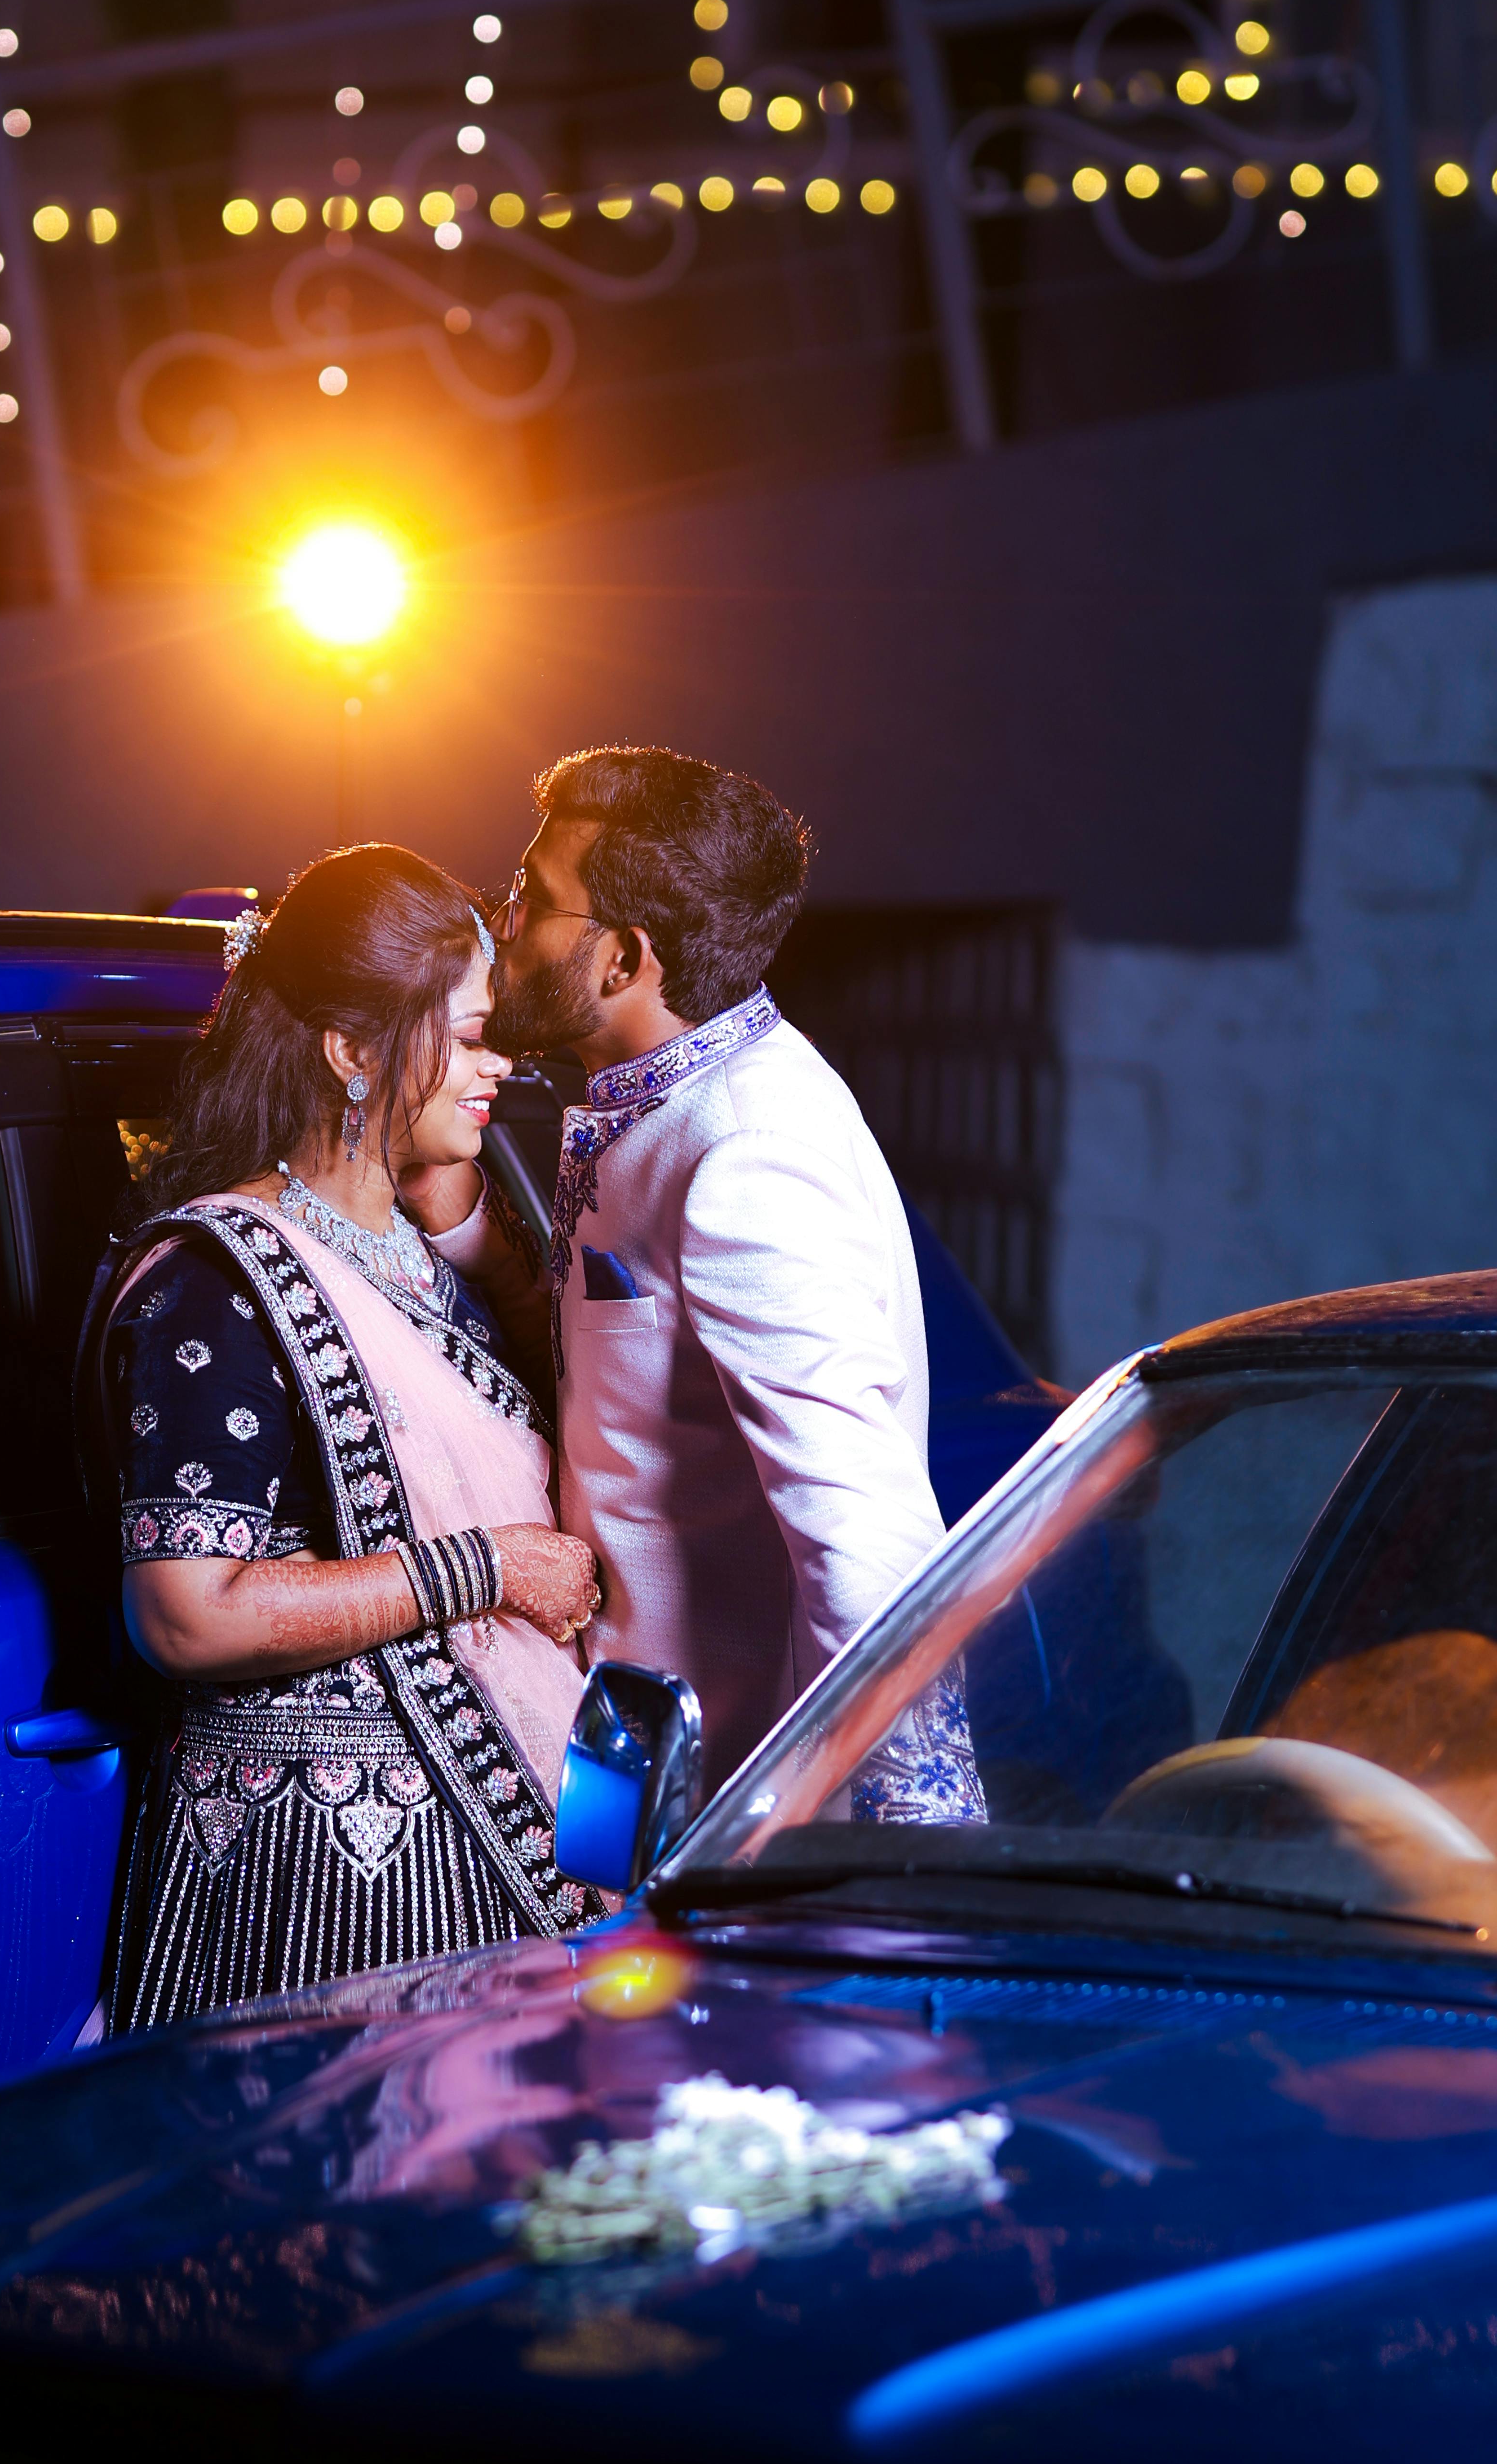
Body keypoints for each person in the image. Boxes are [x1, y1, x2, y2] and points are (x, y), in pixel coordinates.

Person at [80, 843, 603, 2033]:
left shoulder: (403, 1257)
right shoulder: (223, 1278)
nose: (500, 1066)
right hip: (320, 1890)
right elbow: (187, 1612)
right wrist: (488, 1567)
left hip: (457, 1867)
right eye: (467, 1038)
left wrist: (443, 1203)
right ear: (354, 1050)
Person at [418, 742, 982, 1820]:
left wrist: (864, 1852)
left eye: (532, 900)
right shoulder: (653, 1097)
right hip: (622, 1756)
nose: (498, 924)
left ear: (624, 961)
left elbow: (864, 1542)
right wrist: (451, 1219)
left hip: (720, 1802)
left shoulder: (747, 1151)